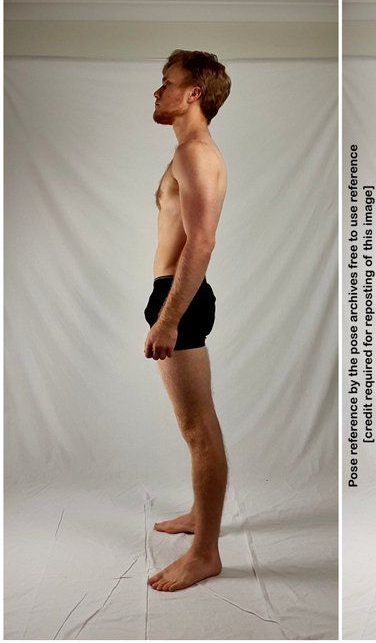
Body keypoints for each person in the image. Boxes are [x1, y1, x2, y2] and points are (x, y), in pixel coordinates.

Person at [143, 49, 231, 591]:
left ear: (193, 92)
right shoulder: (187, 153)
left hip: (182, 298)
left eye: (166, 83)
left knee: (199, 430)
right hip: (172, 294)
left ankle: (206, 554)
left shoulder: (197, 154)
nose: (157, 92)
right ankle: (202, 516)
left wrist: (170, 318)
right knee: (193, 428)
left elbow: (201, 241)